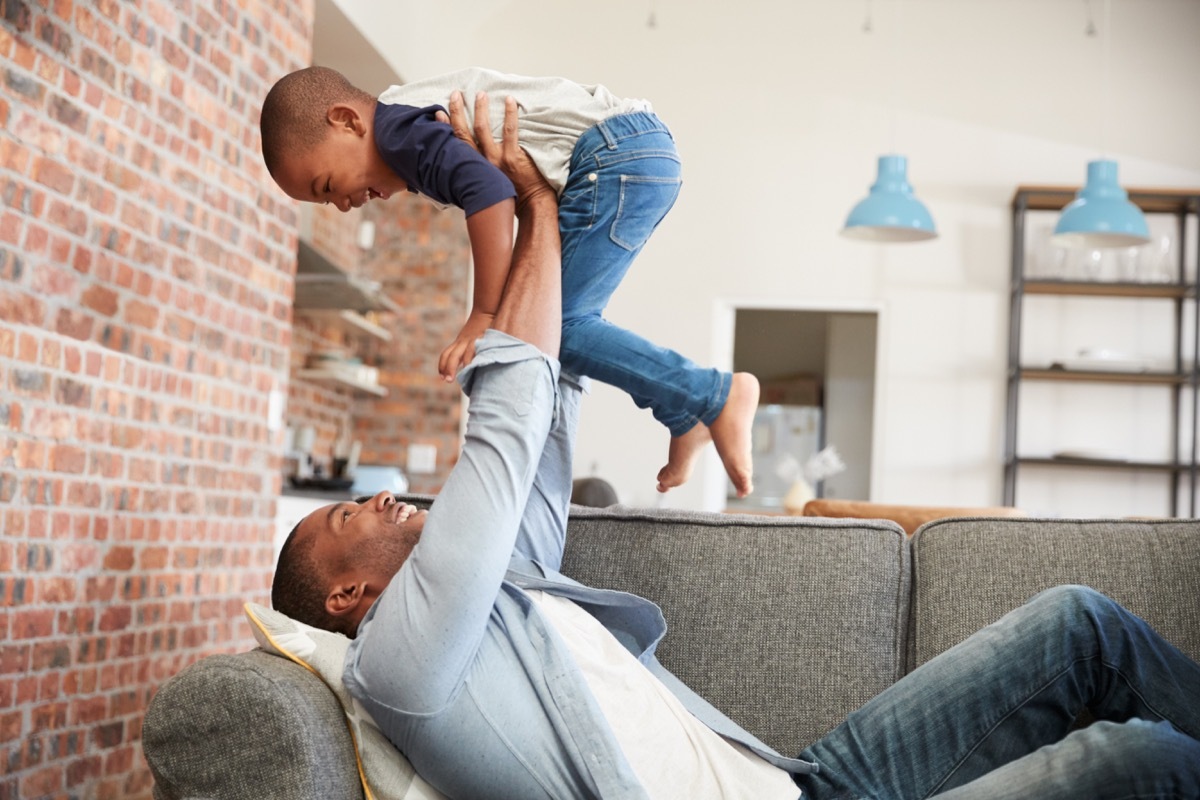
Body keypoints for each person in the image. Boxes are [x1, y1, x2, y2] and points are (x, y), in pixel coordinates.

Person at [271, 95, 1200, 799]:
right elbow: (503, 438)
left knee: (1081, 623)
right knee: (1142, 759)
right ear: (350, 595)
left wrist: (544, 206)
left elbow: (542, 424)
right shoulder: (402, 665)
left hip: (806, 780)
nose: (385, 499)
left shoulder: (490, 600)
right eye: (351, 513)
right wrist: (529, 212)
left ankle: (703, 397)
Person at [259, 65, 759, 498]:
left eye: (327, 186)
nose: (343, 203)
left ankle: (712, 394)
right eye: (327, 204)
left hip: (613, 158)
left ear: (347, 121)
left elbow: (490, 190)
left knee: (557, 326)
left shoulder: (398, 133)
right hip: (632, 153)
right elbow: (500, 192)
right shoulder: (406, 123)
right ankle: (683, 409)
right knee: (551, 326)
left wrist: (485, 314)